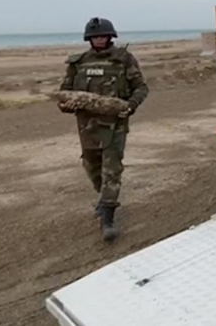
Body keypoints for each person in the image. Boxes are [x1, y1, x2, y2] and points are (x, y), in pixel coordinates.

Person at [57, 17, 148, 241]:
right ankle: (103, 198)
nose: (99, 39)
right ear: (89, 38)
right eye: (95, 36)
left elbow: (141, 88)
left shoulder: (124, 59)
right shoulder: (78, 63)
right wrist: (66, 106)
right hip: (87, 126)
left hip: (115, 126)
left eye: (103, 36)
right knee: (92, 167)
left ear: (110, 36)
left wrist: (131, 105)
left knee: (112, 170)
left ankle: (108, 218)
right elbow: (65, 93)